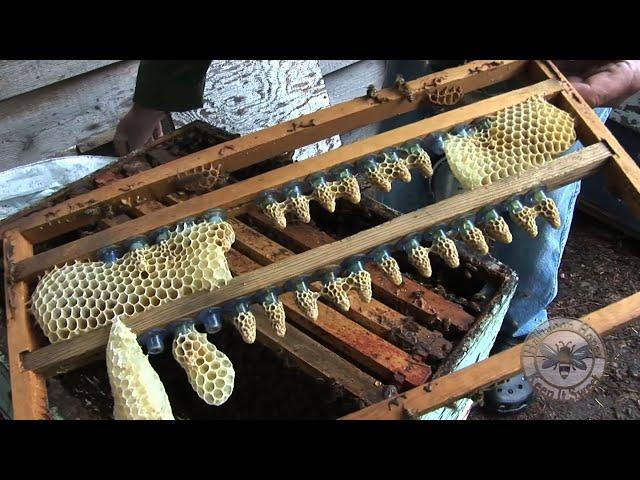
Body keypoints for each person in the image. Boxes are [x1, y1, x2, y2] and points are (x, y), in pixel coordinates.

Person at [114, 60, 640, 414]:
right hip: (428, 67)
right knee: (402, 194)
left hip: (554, 82)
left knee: (526, 224)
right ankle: (415, 288)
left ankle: (517, 330)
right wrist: (154, 100)